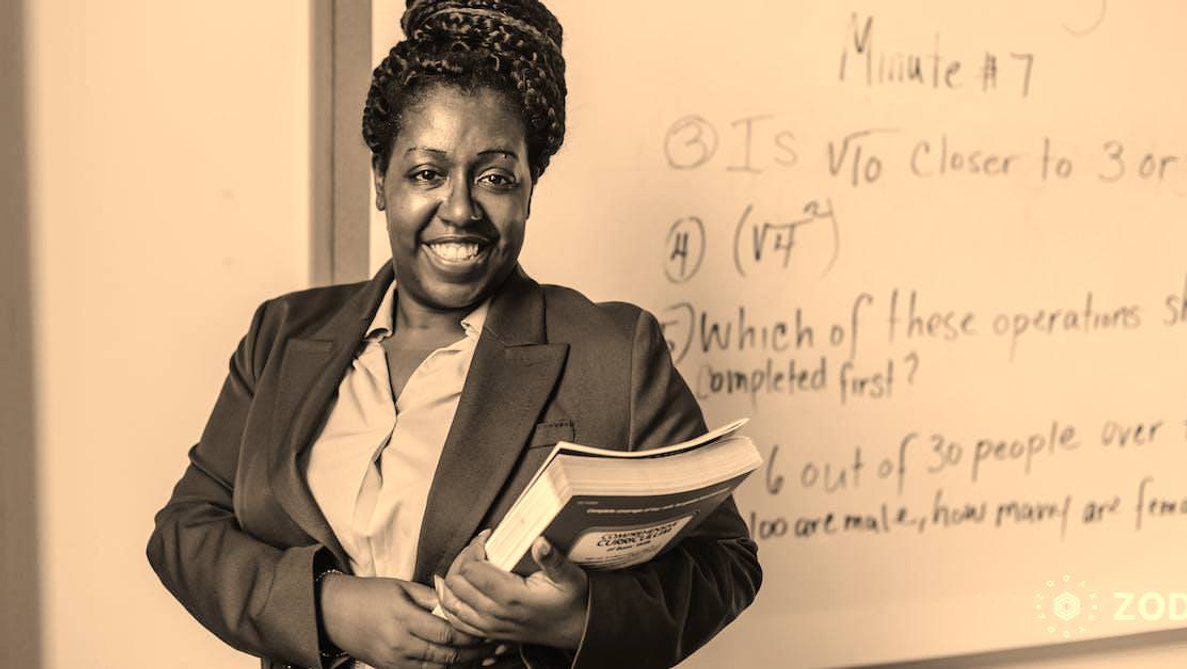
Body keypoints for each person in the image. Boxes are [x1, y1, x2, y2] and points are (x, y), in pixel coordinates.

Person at [146, 1, 762, 668]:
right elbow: (187, 529)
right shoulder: (282, 333)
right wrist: (325, 606)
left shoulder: (613, 351)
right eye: (427, 173)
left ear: (530, 189)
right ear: (382, 181)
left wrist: (578, 615)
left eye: (496, 177)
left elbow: (726, 563)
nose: (461, 208)